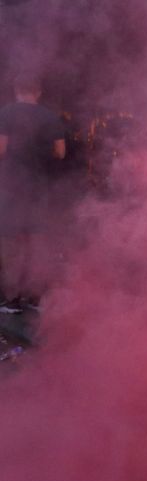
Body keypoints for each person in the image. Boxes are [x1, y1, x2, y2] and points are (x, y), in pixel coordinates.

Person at [0, 73, 67, 309]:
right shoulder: (50, 117)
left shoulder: (6, 113)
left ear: (16, 90)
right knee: (37, 241)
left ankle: (11, 299)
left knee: (10, 244)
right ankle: (36, 297)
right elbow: (60, 152)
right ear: (38, 92)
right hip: (39, 187)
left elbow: (0, 149)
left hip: (12, 187)